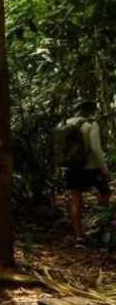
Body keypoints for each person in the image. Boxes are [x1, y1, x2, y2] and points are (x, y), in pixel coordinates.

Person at [60, 101, 112, 238]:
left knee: (76, 200)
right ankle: (99, 227)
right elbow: (96, 149)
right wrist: (105, 170)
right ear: (87, 111)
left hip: (71, 168)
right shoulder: (90, 125)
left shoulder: (63, 124)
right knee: (105, 192)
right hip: (91, 167)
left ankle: (79, 237)